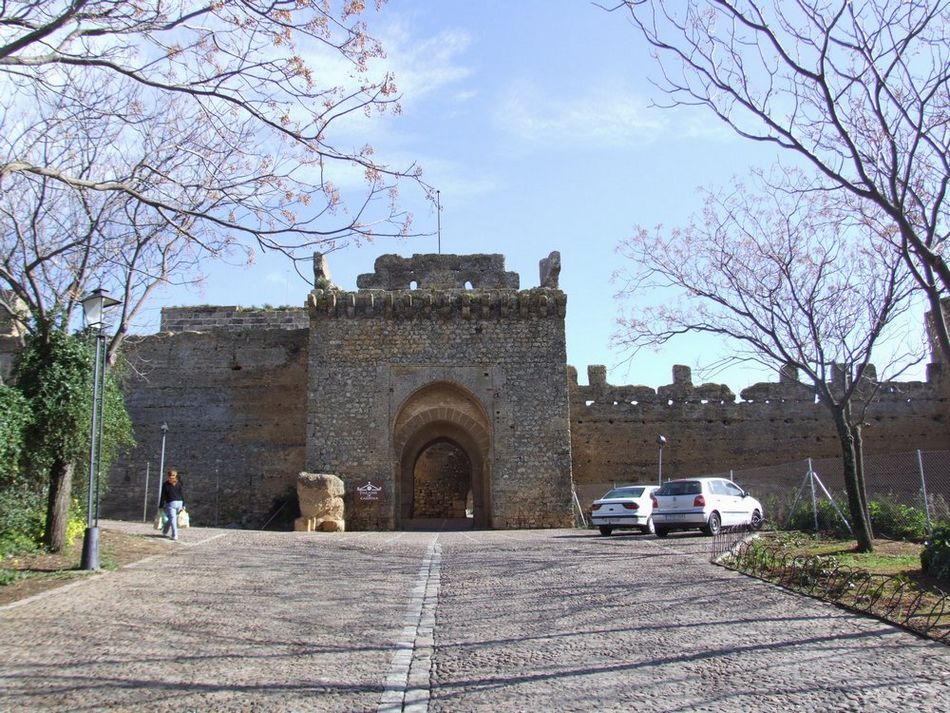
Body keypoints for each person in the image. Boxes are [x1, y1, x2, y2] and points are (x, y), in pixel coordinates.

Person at [159, 469, 185, 541]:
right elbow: (182, 494)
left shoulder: (165, 484)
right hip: (180, 503)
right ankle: (165, 531)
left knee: (172, 519)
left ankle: (174, 535)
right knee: (171, 518)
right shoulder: (179, 483)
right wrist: (184, 504)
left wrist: (161, 506)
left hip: (171, 503)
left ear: (168, 476)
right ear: (175, 475)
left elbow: (163, 496)